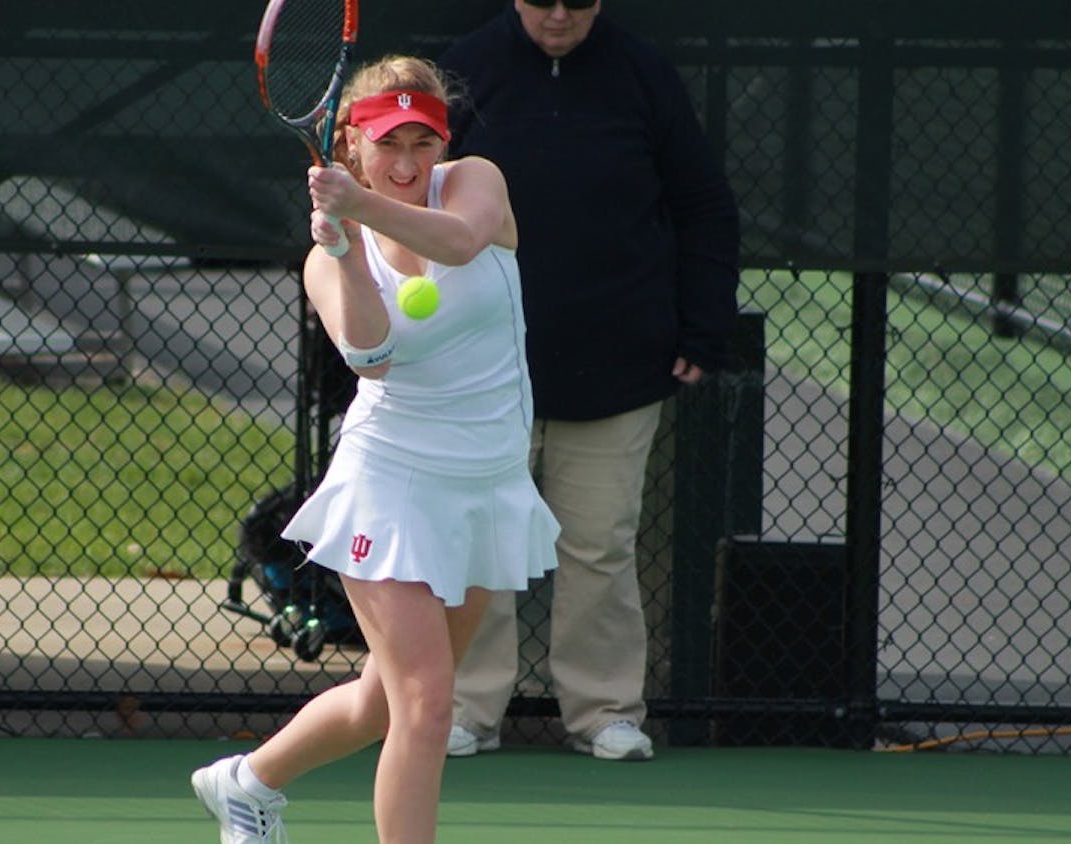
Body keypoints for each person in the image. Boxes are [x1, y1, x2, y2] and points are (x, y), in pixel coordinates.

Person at [192, 54, 559, 844]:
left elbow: (462, 244)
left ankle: (247, 782)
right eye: (387, 144)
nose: (406, 164)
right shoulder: (328, 253)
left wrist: (361, 206)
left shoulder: (474, 185)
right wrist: (346, 250)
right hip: (389, 482)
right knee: (428, 704)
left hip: (487, 481)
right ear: (351, 143)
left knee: (385, 699)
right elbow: (371, 355)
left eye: (422, 143)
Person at [436, 1, 741, 762]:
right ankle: (465, 711)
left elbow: (703, 205)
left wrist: (704, 326)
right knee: (479, 544)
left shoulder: (644, 73)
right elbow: (417, 201)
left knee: (601, 543)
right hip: (484, 370)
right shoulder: (466, 69)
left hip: (617, 360)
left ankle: (604, 711)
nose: (560, 13)